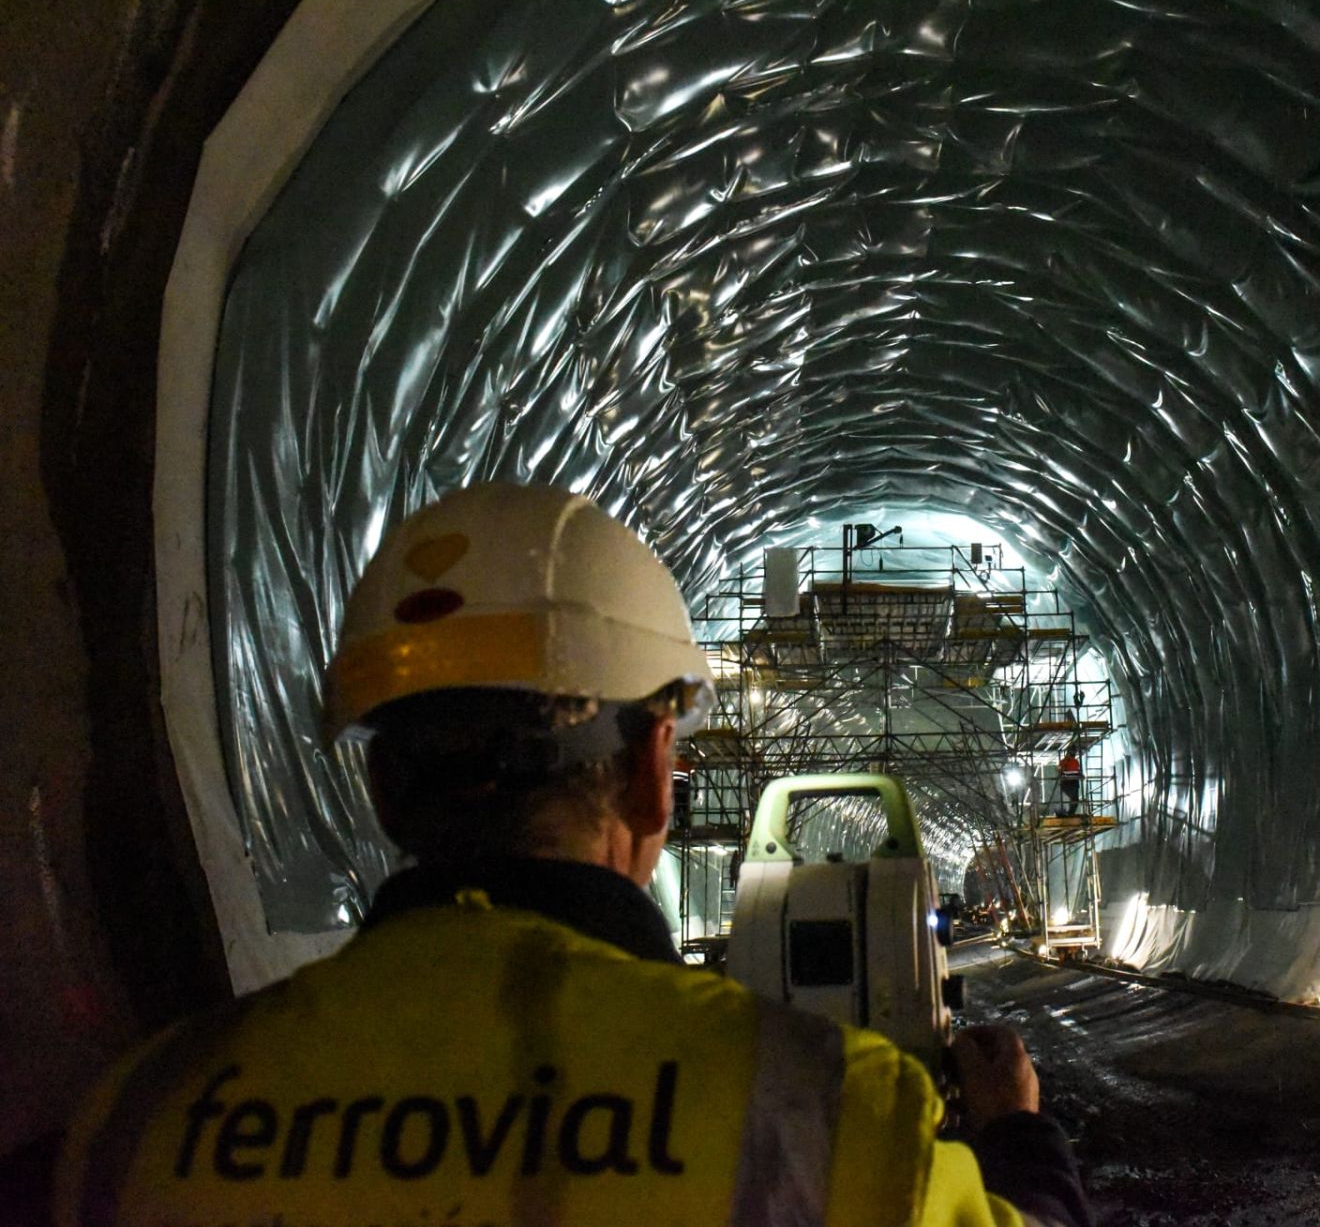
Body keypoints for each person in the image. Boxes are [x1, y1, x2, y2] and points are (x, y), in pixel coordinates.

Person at [51, 484, 1090, 1227]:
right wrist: (1017, 1138)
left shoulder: (141, 1116)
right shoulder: (830, 1114)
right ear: (651, 774)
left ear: (380, 788)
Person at [1054, 750, 1083, 818]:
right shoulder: (1073, 761)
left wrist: (1060, 770)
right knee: (1073, 800)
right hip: (1071, 783)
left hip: (1068, 783)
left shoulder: (1065, 761)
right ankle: (1068, 813)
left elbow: (1059, 770)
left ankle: (1065, 813)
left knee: (1069, 800)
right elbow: (1078, 771)